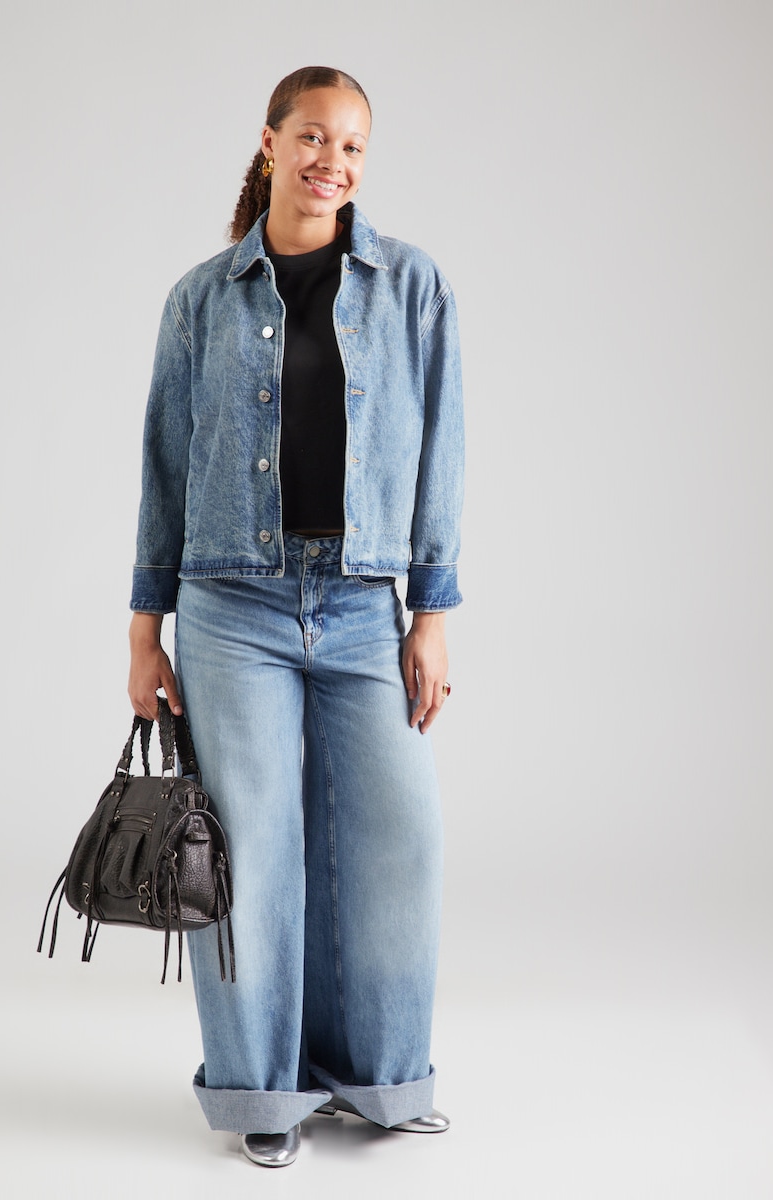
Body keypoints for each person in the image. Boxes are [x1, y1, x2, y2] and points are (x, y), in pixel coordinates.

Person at [127, 65, 464, 1169]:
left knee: (397, 840)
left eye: (353, 146)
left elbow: (443, 456)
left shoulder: (411, 287)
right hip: (232, 606)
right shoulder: (202, 299)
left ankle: (381, 1076)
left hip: (365, 605)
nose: (333, 161)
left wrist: (432, 612)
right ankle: (260, 1094)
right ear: (271, 142)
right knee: (251, 854)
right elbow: (166, 466)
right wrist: (145, 629)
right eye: (315, 137)